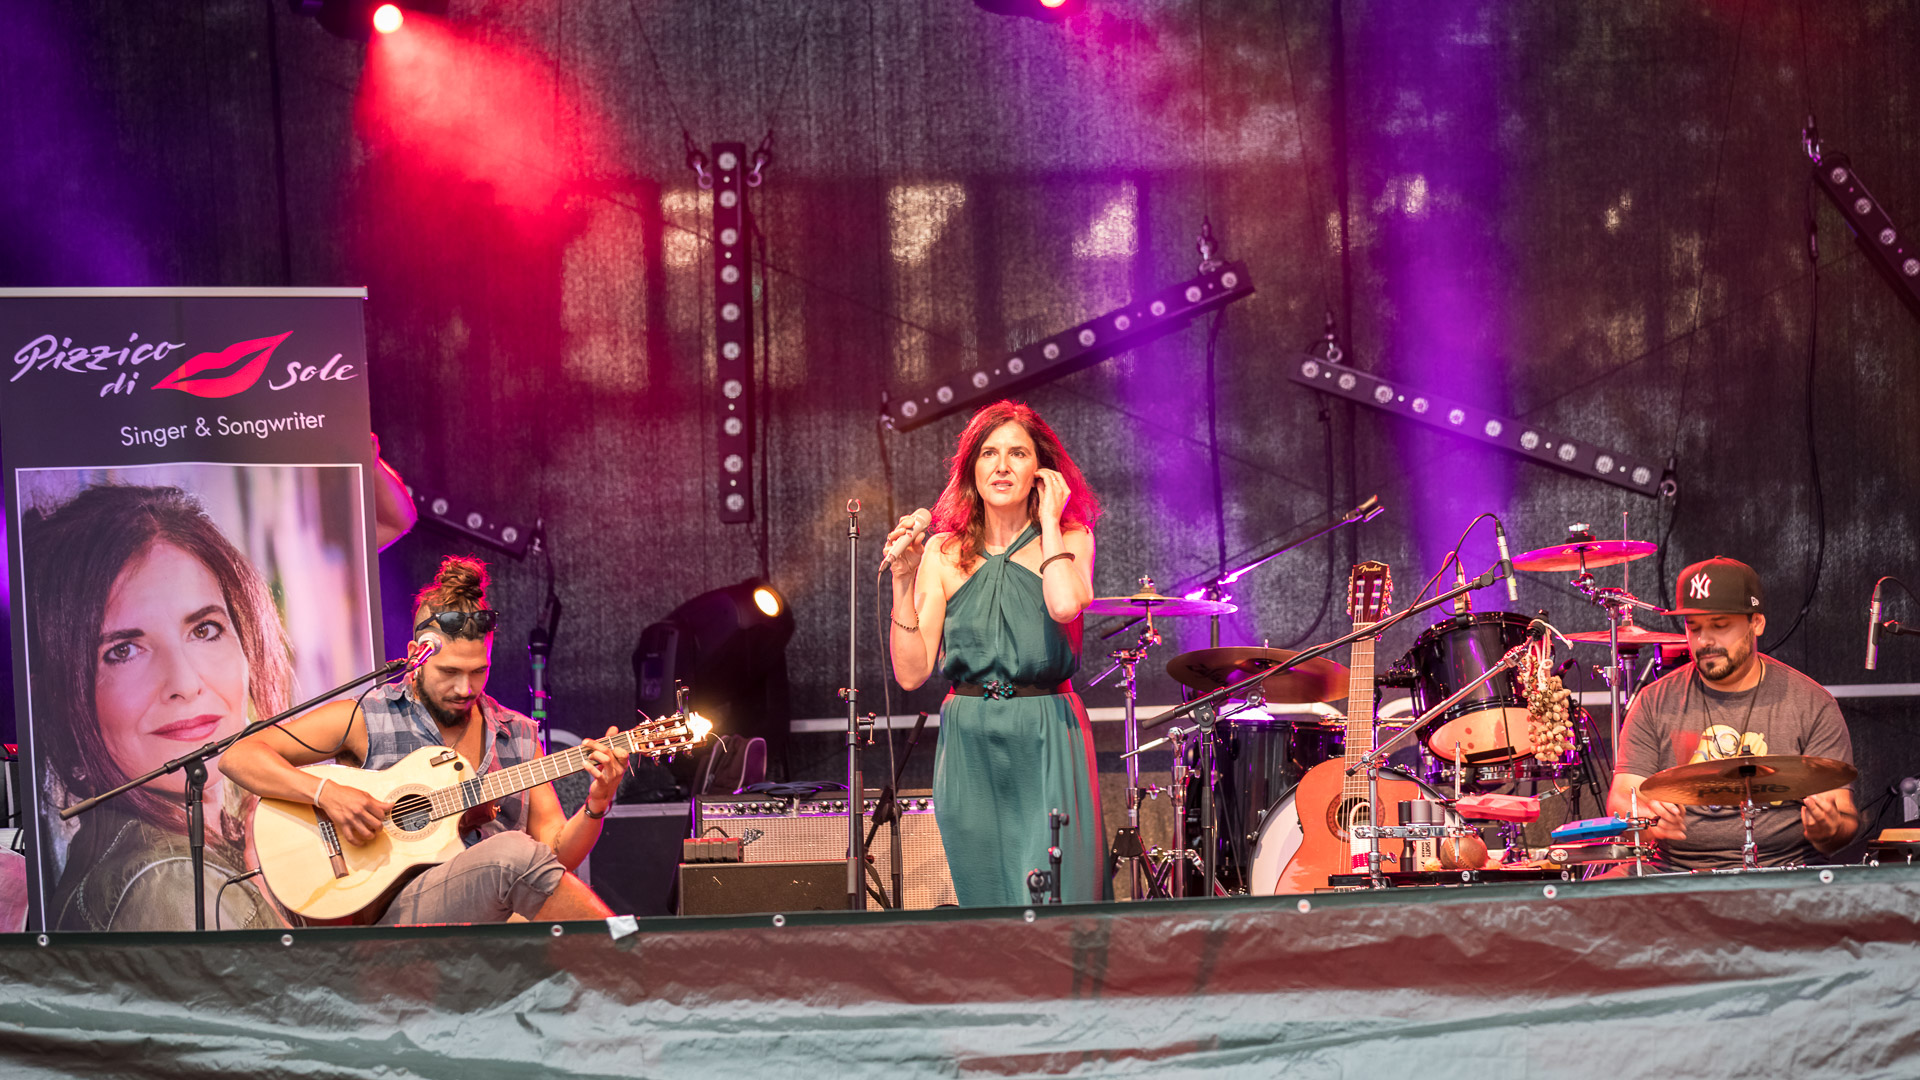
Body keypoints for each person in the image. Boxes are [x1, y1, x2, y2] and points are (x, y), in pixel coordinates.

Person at [221, 555, 624, 924]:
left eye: (478, 671)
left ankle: (626, 956)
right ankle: (634, 953)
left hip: (493, 914)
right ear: (417, 654)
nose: (465, 688)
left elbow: (555, 856)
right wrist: (326, 793)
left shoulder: (516, 733)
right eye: (449, 672)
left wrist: (597, 803)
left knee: (522, 865)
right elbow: (239, 756)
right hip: (388, 913)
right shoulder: (368, 716)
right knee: (514, 855)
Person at [23, 484, 292, 931]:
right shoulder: (170, 885)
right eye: (123, 651)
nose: (184, 684)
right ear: (66, 698)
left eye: (204, 630)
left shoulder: (219, 848)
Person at [886, 400, 1108, 905]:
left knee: (1056, 897)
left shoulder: (1071, 537)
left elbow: (1064, 604)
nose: (1002, 466)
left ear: (1041, 471)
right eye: (989, 453)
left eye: (1018, 454)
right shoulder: (943, 551)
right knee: (984, 901)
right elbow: (912, 673)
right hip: (970, 738)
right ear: (972, 468)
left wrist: (1049, 520)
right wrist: (902, 581)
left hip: (1047, 728)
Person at [1608, 557, 1860, 869]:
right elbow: (1622, 799)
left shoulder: (1812, 703)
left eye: (1720, 625)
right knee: (1589, 896)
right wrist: (1644, 819)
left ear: (1757, 623)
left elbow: (1843, 819)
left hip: (1786, 869)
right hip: (1674, 870)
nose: (1704, 641)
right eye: (1693, 627)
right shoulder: (1653, 701)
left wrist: (1829, 828)